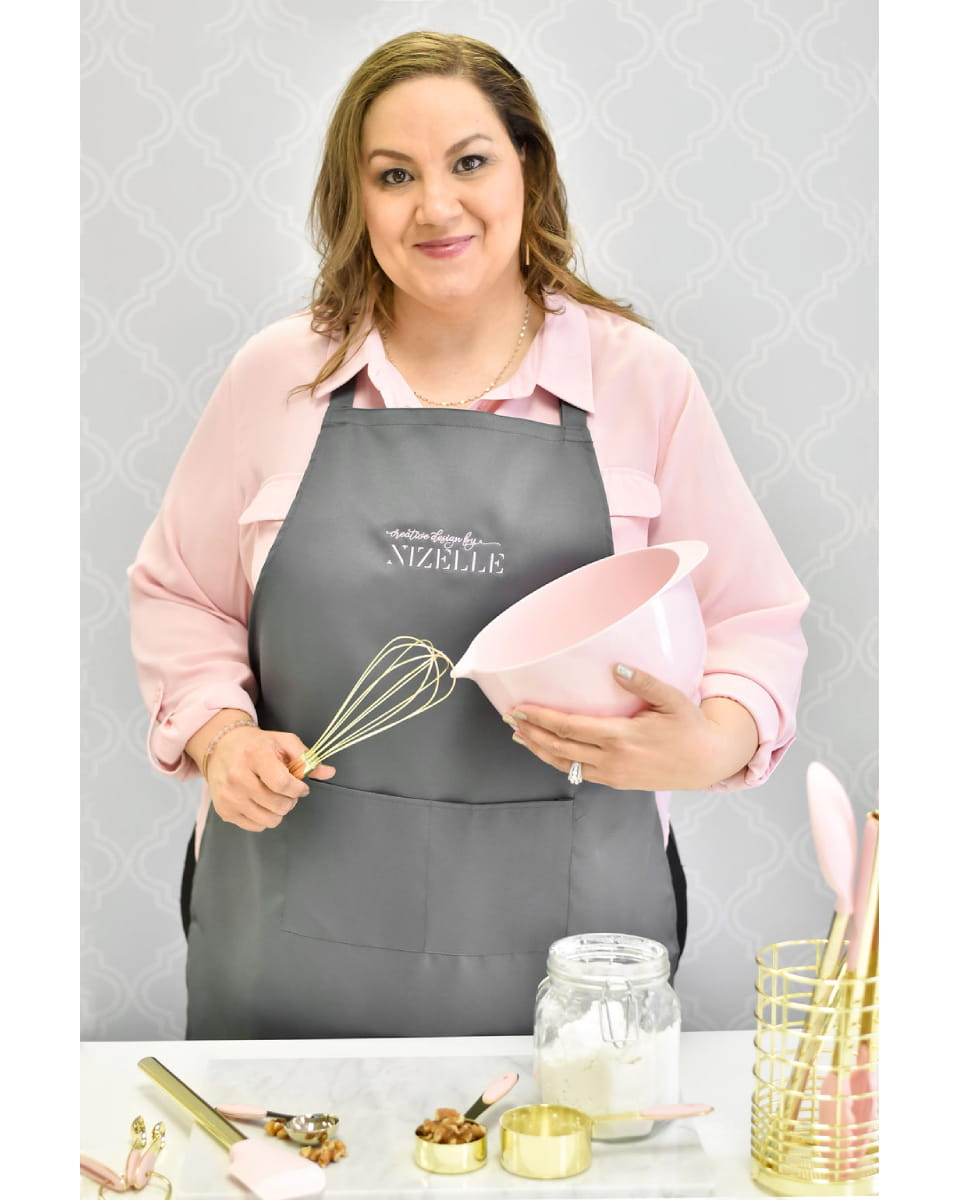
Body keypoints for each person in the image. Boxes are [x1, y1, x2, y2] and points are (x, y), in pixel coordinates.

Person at [128, 30, 808, 1040]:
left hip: (573, 955)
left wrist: (716, 741)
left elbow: (754, 616)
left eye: (471, 162)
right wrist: (223, 739)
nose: (436, 206)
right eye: (394, 174)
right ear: (354, 201)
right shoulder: (276, 378)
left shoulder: (641, 383)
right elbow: (181, 594)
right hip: (291, 932)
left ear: (528, 170)